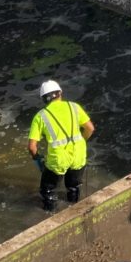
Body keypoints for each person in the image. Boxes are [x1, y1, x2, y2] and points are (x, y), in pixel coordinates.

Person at [27, 79, 95, 210]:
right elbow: (90, 129)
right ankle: (74, 208)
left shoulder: (40, 116)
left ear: (44, 99)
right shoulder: (74, 107)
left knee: (48, 190)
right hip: (79, 155)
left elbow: (32, 147)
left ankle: (50, 214)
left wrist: (37, 159)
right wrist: (81, 142)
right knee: (73, 187)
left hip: (58, 159)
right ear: (60, 93)